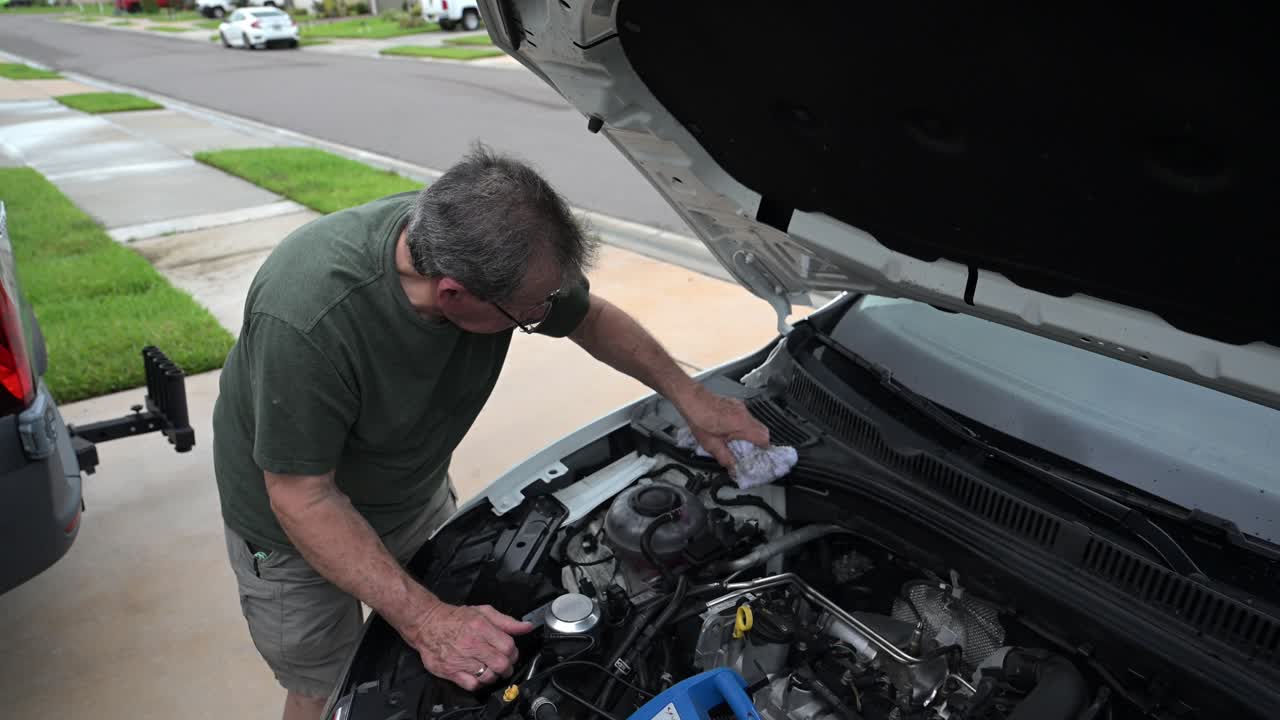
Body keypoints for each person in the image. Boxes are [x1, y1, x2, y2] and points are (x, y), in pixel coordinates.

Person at [212, 144, 770, 720]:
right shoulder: (308, 318)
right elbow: (302, 496)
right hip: (291, 532)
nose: (541, 315)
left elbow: (590, 317)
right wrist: (426, 620)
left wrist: (692, 399)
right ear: (452, 294)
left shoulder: (487, 246)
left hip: (410, 490)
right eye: (530, 315)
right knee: (329, 688)